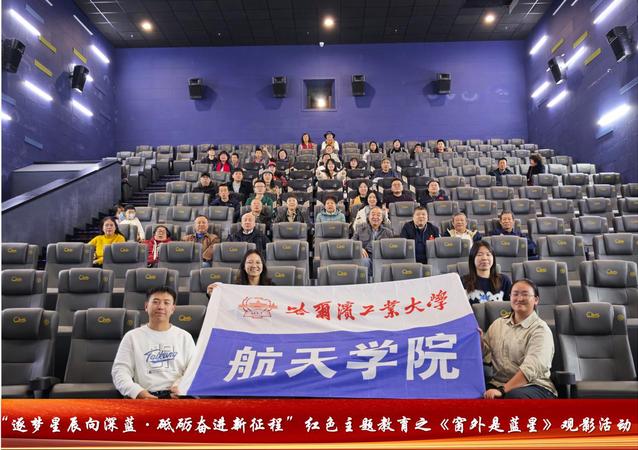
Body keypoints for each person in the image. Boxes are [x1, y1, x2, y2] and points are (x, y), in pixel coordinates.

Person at [112, 286, 195, 399]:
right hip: (145, 396)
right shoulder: (132, 337)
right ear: (146, 306)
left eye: (166, 303)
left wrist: (180, 386)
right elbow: (120, 371)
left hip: (178, 395)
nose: (161, 307)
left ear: (173, 309)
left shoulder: (185, 337)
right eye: (156, 302)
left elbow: (193, 371)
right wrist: (137, 392)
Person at [481, 278, 557, 399]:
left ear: (536, 300)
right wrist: (478, 340)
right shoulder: (498, 324)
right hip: (498, 383)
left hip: (534, 386)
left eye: (525, 294)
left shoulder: (541, 330)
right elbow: (485, 354)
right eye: (515, 294)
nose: (519, 298)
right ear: (510, 297)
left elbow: (530, 369)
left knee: (513, 397)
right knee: (472, 392)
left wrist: (503, 390)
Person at [207, 249, 273, 295]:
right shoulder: (235, 288)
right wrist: (212, 294)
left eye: (258, 262)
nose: (254, 266)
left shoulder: (271, 287)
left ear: (263, 266)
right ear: (244, 266)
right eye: (250, 262)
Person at [353, 207, 394, 278]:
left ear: (382, 218)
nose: (375, 217)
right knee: (364, 261)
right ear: (368, 217)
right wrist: (359, 248)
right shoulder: (360, 229)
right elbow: (352, 242)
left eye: (378, 215)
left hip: (382, 258)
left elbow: (392, 248)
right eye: (373, 214)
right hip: (366, 257)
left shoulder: (388, 232)